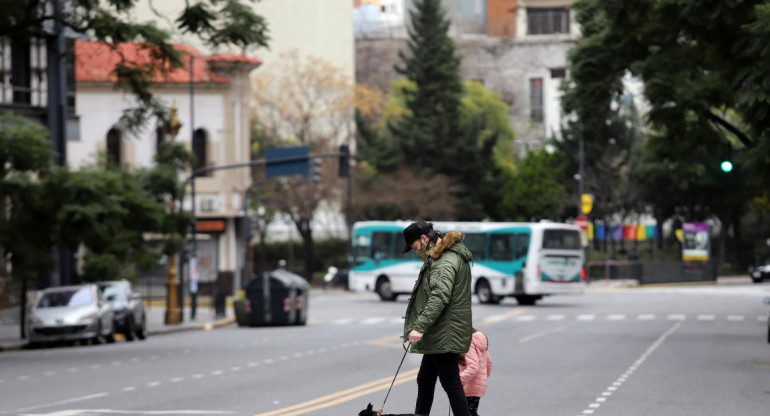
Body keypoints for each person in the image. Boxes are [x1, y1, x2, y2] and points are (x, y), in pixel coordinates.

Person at [401, 221, 473, 416]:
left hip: (444, 331)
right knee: (425, 379)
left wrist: (420, 326)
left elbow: (440, 296)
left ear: (424, 239)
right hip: (441, 330)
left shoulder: (444, 262)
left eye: (415, 246)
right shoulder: (444, 257)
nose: (416, 252)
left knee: (450, 382)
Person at [459, 328, 492, 416]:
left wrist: (458, 380)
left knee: (468, 412)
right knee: (472, 412)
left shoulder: (468, 343)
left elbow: (473, 367)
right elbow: (488, 362)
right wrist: (483, 378)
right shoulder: (479, 341)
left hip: (469, 385)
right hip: (477, 385)